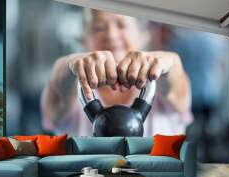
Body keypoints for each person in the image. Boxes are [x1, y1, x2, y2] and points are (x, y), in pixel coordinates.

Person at [41, 9, 193, 136]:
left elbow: (174, 73)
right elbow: (59, 83)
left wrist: (165, 62)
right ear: (83, 39)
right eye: (99, 28)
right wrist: (71, 64)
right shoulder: (69, 88)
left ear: (143, 35)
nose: (111, 35)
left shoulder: (162, 85)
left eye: (121, 25)